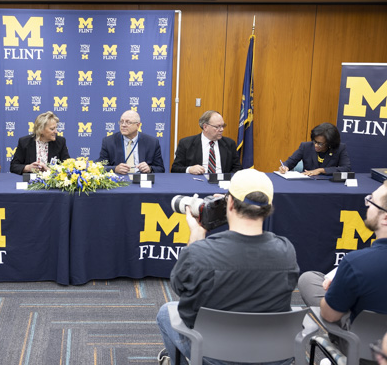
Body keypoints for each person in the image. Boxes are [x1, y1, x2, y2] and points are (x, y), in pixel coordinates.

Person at [157, 169, 299, 365]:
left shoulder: (200, 253)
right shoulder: (286, 251)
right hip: (273, 356)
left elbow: (180, 287)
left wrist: (197, 236)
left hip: (214, 357)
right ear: (269, 207)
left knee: (166, 312)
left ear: (230, 203)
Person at [298, 181, 387, 326]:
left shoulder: (356, 263)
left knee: (308, 280)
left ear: (385, 218)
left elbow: (329, 316)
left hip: (361, 343)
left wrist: (339, 286)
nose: (368, 203)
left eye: (372, 200)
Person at [171, 110, 241, 174]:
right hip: (196, 183)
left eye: (223, 126)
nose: (221, 129)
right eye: (218, 127)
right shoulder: (186, 143)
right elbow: (175, 169)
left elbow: (237, 168)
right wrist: (189, 169)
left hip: (222, 184)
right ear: (205, 127)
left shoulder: (229, 143)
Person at [96, 110, 164, 174]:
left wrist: (150, 168)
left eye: (128, 122)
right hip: (119, 181)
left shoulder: (152, 142)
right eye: (121, 122)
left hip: (142, 180)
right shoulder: (109, 142)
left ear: (138, 125)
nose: (123, 125)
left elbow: (160, 169)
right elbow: (100, 167)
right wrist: (115, 169)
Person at [279, 122, 350, 176]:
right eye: (315, 141)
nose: (316, 145)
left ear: (330, 143)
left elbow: (346, 169)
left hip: (329, 185)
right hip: (308, 184)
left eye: (320, 144)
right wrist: (285, 166)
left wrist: (321, 170)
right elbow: (290, 161)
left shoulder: (339, 148)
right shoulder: (305, 146)